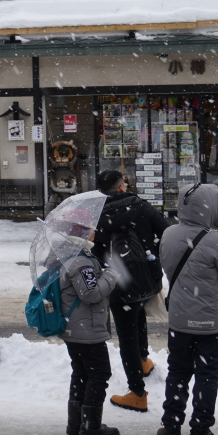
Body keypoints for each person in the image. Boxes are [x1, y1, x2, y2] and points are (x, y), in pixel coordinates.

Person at [155, 181, 218, 435]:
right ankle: (200, 431)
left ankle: (171, 426)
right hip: (211, 322)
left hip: (179, 318)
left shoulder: (168, 234)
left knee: (177, 372)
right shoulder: (217, 241)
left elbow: (169, 269)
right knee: (207, 376)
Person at [92, 170, 170, 413]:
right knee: (139, 313)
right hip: (148, 279)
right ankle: (143, 361)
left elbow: (94, 251)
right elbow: (166, 233)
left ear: (100, 191)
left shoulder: (96, 215)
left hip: (119, 282)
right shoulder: (142, 206)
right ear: (122, 187)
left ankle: (137, 392)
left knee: (127, 332)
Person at [58, 231, 122, 435]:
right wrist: (111, 275)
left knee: (81, 372)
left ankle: (76, 423)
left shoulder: (66, 255)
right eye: (91, 228)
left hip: (74, 327)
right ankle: (90, 426)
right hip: (86, 328)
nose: (95, 232)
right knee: (99, 373)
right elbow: (92, 294)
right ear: (83, 232)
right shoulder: (80, 261)